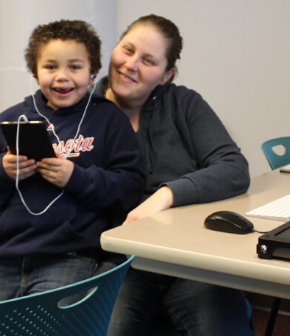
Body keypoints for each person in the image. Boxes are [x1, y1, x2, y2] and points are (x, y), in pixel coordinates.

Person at [93, 14, 253, 335]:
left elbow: (233, 168)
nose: (131, 64)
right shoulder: (80, 112)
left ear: (167, 74)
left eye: (148, 60)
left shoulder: (184, 104)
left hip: (189, 259)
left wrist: (164, 197)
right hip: (121, 263)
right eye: (127, 50)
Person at [0, 19, 145, 304]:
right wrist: (2, 171)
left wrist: (76, 178)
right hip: (10, 257)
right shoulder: (9, 122)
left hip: (70, 255)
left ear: (93, 73)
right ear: (34, 70)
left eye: (75, 67)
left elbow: (130, 187)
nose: (62, 76)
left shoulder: (108, 120)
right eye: (50, 67)